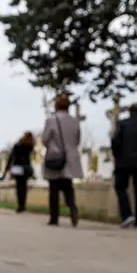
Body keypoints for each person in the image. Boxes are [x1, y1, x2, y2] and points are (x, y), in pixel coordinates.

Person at [42, 95, 84, 226]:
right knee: (68, 187)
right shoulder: (75, 121)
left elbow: (45, 139)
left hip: (55, 156)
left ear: (56, 106)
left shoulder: (51, 120)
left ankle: (54, 218)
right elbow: (77, 140)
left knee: (53, 188)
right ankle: (72, 208)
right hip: (70, 157)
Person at [3, 132, 35, 212]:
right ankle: (23, 205)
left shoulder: (17, 145)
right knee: (24, 186)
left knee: (19, 186)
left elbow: (12, 156)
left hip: (17, 167)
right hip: (26, 167)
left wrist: (7, 168)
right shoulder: (30, 146)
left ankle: (20, 205)